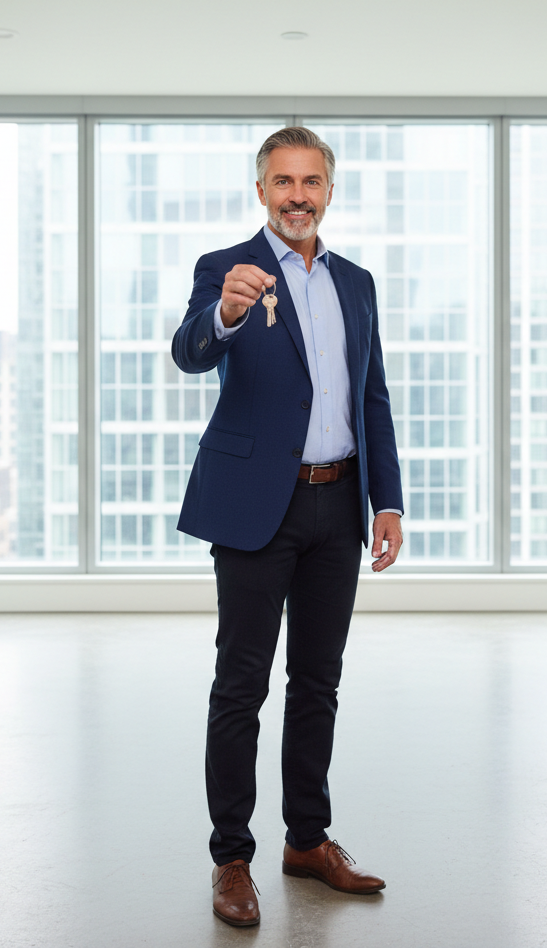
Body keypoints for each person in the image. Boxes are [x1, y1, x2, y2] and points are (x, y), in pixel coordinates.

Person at [171, 127, 404, 927]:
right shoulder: (226, 269)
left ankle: (308, 839)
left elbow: (372, 395)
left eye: (311, 182)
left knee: (318, 682)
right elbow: (188, 350)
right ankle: (231, 858)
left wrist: (387, 501)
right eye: (283, 182)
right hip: (252, 507)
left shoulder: (360, 283)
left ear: (329, 191)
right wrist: (226, 316)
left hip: (338, 506)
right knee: (241, 686)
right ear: (262, 191)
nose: (297, 195)